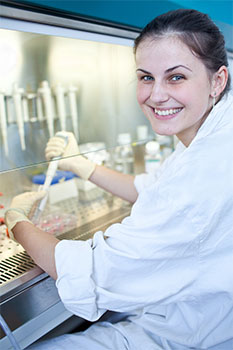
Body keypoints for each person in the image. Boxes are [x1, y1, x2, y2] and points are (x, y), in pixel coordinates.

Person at [4, 8, 233, 350]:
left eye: (176, 77)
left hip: (191, 337)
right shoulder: (213, 137)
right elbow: (151, 189)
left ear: (218, 80)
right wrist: (85, 166)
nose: (156, 95)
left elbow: (91, 272)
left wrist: (16, 220)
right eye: (145, 77)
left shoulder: (204, 172)